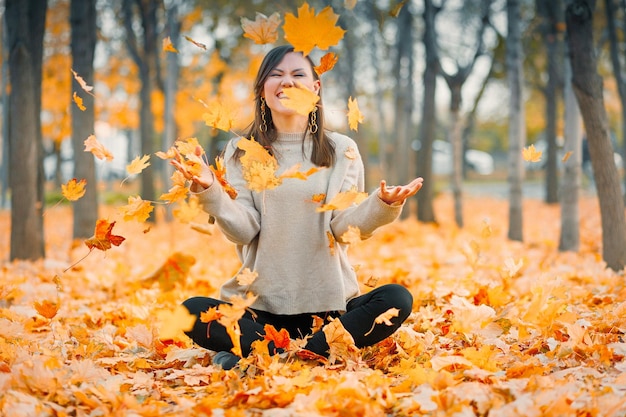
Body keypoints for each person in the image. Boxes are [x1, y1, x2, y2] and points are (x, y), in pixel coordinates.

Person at [174, 44, 423, 370]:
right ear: (263, 89)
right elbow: (243, 229)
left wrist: (382, 205)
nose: (286, 82)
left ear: (315, 88)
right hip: (259, 309)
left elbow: (344, 228)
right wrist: (210, 191)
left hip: (330, 310)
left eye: (297, 74)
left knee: (396, 299)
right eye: (275, 75)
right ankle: (303, 356)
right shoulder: (241, 149)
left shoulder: (341, 149)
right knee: (191, 311)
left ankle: (267, 356)